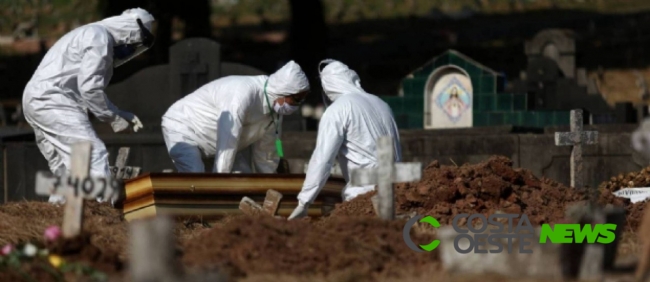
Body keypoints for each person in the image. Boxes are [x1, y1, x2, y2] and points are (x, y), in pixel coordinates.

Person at [22, 8, 155, 204]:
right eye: (135, 44)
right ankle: (104, 214)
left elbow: (84, 90)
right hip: (53, 100)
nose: (132, 51)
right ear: (130, 32)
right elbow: (90, 89)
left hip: (37, 99)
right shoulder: (99, 38)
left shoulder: (91, 33)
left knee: (66, 170)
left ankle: (54, 219)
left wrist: (118, 113)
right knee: (92, 153)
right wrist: (114, 118)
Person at [288, 59, 402, 220]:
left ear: (327, 86)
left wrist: (304, 202)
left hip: (364, 197)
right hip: (398, 191)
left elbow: (322, 159)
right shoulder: (382, 104)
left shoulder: (339, 109)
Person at [161, 61, 310, 173]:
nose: (298, 104)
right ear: (282, 92)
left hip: (219, 145)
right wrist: (221, 180)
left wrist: (270, 184)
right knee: (196, 176)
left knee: (244, 180)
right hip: (184, 127)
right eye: (296, 99)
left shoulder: (275, 112)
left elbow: (267, 150)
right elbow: (228, 137)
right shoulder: (243, 94)